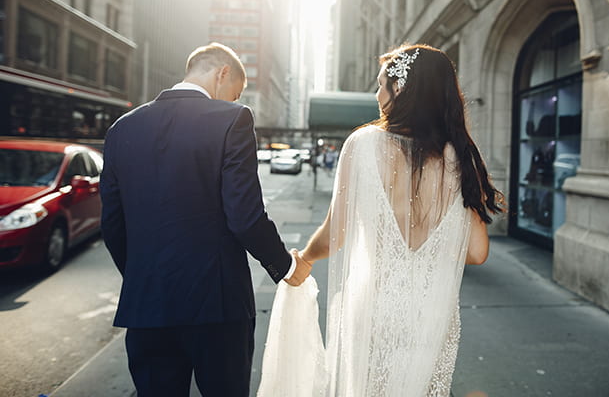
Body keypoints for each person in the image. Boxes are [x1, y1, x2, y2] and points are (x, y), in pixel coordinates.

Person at [258, 44, 504, 396]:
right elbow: (477, 252)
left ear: (400, 89)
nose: (376, 95)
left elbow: (334, 234)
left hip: (375, 309)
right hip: (430, 317)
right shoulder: (459, 157)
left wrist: (305, 260)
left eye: (380, 85)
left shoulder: (363, 144)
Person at [100, 42, 311, 397]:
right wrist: (287, 267)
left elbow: (113, 225)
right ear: (222, 73)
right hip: (218, 305)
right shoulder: (233, 119)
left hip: (147, 307)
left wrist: (145, 277)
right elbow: (244, 217)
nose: (233, 100)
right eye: (235, 92)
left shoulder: (121, 128)